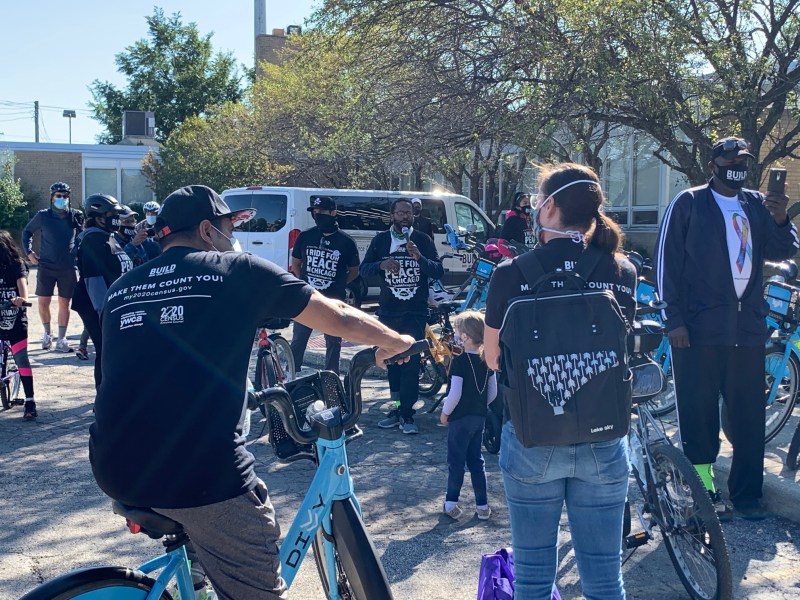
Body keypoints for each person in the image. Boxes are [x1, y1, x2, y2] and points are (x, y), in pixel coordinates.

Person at [89, 184, 414, 599]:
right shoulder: (235, 270)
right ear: (208, 230)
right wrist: (394, 342)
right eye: (230, 225)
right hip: (198, 473)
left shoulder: (123, 288)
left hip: (113, 464)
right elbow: (339, 315)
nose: (234, 235)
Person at [484, 163, 636, 599]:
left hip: (533, 439)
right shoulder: (622, 269)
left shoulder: (510, 274)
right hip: (605, 439)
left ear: (548, 207)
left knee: (532, 578)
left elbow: (494, 359)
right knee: (605, 579)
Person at [655, 136, 798, 521]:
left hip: (747, 330)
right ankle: (705, 492)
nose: (738, 164)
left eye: (744, 158)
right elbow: (666, 264)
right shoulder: (688, 203)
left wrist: (782, 219)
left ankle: (748, 495)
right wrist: (674, 320)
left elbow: (783, 250)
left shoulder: (755, 204)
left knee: (749, 415)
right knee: (699, 415)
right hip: (697, 331)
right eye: (731, 157)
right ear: (713, 162)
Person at [361, 198, 444, 434]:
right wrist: (381, 264)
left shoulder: (423, 240)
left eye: (409, 213)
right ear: (392, 215)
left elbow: (437, 271)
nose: (405, 217)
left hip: (414, 313)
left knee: (410, 364)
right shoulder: (380, 240)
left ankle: (408, 414)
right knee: (391, 364)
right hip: (389, 312)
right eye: (400, 213)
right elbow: (364, 270)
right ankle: (397, 408)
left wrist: (420, 258)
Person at [289, 196, 360, 374]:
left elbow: (354, 270)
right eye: (315, 212)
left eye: (322, 212)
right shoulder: (306, 236)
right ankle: (291, 374)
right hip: (307, 298)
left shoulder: (346, 241)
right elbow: (296, 263)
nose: (317, 215)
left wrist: (338, 284)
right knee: (299, 339)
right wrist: (305, 283)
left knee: (334, 341)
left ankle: (331, 377)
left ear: (333, 213)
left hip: (333, 299)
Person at [439, 310, 496, 520]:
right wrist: (479, 406)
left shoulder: (460, 362)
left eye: (457, 332)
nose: (455, 336)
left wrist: (445, 413)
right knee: (476, 461)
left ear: (466, 337)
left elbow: (455, 393)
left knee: (456, 462)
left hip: (460, 419)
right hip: (478, 418)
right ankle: (482, 506)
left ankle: (451, 503)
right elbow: (493, 392)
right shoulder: (487, 360)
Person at [72, 194, 133, 387]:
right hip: (96, 307)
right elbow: (94, 281)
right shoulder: (93, 240)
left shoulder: (109, 237)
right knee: (106, 351)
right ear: (98, 217)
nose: (117, 218)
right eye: (112, 214)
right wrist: (105, 313)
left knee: (116, 352)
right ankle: (104, 400)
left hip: (115, 304)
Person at [21, 181, 83, 352]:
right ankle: (47, 333)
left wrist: (77, 252)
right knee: (43, 302)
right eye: (58, 196)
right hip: (46, 266)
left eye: (64, 196)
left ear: (68, 198)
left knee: (65, 303)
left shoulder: (75, 216)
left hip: (67, 267)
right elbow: (27, 232)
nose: (61, 199)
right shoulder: (43, 216)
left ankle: (62, 339)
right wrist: (29, 252)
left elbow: (83, 235)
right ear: (52, 198)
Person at [0, 230, 37, 419]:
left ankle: (30, 400)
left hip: (15, 319)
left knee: (21, 358)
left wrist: (21, 299)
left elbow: (23, 287)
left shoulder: (16, 264)